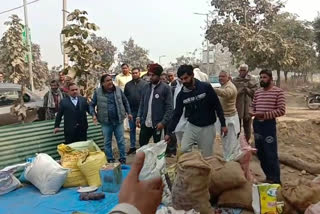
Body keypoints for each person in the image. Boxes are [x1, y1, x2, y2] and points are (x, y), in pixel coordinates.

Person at [165, 65, 227, 157]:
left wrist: (223, 124)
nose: (184, 81)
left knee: (207, 156)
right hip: (192, 126)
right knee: (183, 150)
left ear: (192, 75)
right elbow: (177, 114)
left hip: (208, 127)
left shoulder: (205, 87)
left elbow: (217, 105)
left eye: (186, 78)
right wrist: (169, 132)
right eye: (181, 79)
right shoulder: (181, 95)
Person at [250, 69, 285, 184]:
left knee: (271, 153)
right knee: (260, 153)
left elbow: (281, 110)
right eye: (260, 77)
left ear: (270, 78)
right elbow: (253, 106)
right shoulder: (258, 92)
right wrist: (252, 112)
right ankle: (268, 177)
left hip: (268, 125)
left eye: (264, 77)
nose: (262, 79)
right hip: (257, 125)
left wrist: (264, 115)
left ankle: (276, 180)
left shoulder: (278, 92)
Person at [90, 74, 133, 164]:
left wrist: (129, 113)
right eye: (107, 80)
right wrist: (93, 114)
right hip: (106, 122)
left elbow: (125, 101)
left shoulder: (118, 90)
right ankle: (110, 158)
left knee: (121, 141)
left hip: (118, 120)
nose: (110, 82)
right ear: (102, 83)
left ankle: (123, 158)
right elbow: (92, 104)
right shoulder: (97, 92)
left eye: (111, 80)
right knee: (107, 141)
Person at [136, 64, 173, 147]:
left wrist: (163, 122)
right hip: (145, 123)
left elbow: (169, 108)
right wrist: (138, 117)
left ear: (159, 75)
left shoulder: (166, 88)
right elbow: (142, 103)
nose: (151, 77)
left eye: (153, 75)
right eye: (150, 75)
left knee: (158, 148)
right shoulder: (145, 87)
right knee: (142, 145)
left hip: (158, 125)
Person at [214, 71, 240, 160]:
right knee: (226, 142)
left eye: (223, 76)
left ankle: (230, 162)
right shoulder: (224, 86)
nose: (220, 78)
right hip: (224, 118)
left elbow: (226, 93)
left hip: (230, 119)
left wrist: (212, 89)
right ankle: (228, 159)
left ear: (228, 78)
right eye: (219, 76)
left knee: (230, 143)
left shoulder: (230, 87)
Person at [124, 68, 147, 155]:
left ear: (139, 73)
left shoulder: (145, 84)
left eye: (136, 73)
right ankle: (132, 147)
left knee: (143, 129)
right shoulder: (128, 85)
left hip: (142, 110)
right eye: (133, 73)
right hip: (131, 110)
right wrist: (127, 110)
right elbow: (125, 99)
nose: (134, 75)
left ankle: (143, 147)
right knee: (132, 129)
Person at [232, 64, 258, 142]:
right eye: (241, 70)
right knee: (237, 127)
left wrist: (247, 90)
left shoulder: (252, 80)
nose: (242, 72)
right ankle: (237, 143)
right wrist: (240, 90)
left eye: (244, 70)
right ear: (239, 71)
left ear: (247, 71)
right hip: (238, 106)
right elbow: (232, 93)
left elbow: (256, 93)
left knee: (247, 127)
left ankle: (247, 143)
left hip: (248, 106)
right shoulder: (235, 80)